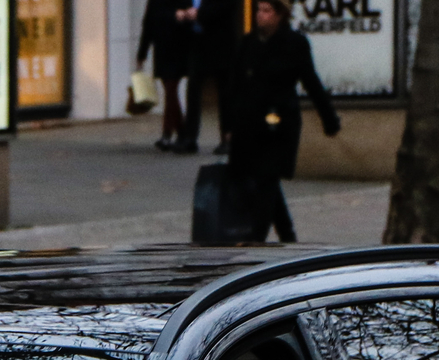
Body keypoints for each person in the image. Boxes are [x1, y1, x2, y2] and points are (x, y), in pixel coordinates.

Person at [218, 0, 338, 243]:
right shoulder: (248, 43)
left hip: (278, 125)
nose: (261, 16)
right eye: (259, 10)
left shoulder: (294, 43)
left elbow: (310, 81)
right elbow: (234, 86)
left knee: (266, 179)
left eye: (267, 11)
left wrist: (329, 118)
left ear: (280, 15)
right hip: (248, 125)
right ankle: (288, 237)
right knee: (263, 182)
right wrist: (228, 126)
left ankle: (256, 241)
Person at [136, 0, 208, 154]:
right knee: (170, 90)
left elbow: (190, 17)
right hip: (165, 47)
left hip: (178, 46)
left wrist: (183, 16)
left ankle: (173, 133)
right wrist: (142, 52)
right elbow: (149, 22)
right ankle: (174, 132)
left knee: (171, 89)